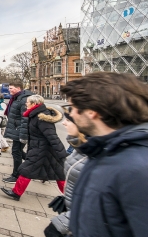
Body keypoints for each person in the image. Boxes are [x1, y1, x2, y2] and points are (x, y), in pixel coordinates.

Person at [59, 72, 148, 236]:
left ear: (91, 111)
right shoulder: (105, 149)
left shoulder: (137, 168)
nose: (70, 114)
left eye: (71, 108)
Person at [1, 95, 67, 201]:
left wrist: (62, 153)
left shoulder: (42, 117)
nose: (25, 104)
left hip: (41, 150)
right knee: (59, 173)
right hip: (41, 149)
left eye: (27, 102)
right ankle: (71, 197)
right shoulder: (35, 115)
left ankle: (16, 193)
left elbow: (52, 137)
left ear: (34, 104)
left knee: (26, 170)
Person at [44, 117, 88, 237]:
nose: (63, 122)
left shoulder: (97, 151)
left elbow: (97, 204)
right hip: (73, 216)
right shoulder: (82, 146)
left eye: (69, 120)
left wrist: (62, 223)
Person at [2, 82, 32, 183]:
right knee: (18, 151)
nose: (9, 90)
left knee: (16, 152)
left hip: (20, 130)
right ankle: (37, 164)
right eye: (9, 88)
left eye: (11, 88)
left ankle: (16, 175)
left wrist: (23, 135)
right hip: (17, 129)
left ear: (18, 88)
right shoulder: (16, 98)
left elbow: (25, 118)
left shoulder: (23, 99)